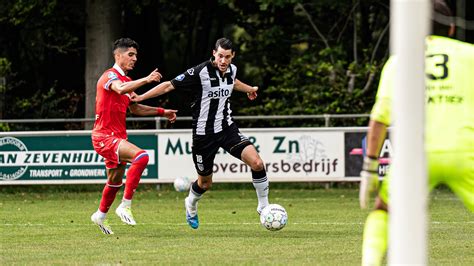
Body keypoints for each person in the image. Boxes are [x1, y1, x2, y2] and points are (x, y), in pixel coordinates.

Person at [359, 1, 474, 264]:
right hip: (466, 150)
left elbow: (379, 120)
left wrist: (369, 168)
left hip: (417, 154)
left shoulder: (400, 61)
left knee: (383, 211)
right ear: (453, 27)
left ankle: (370, 261)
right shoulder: (470, 54)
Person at [132, 38, 269, 229]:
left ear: (232, 57)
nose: (223, 60)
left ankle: (264, 207)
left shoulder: (232, 70)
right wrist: (141, 97)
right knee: (205, 183)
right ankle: (190, 203)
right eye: (220, 56)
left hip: (227, 128)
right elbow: (168, 85)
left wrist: (249, 89)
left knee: (257, 163)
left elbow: (233, 82)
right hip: (203, 136)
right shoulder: (200, 72)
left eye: (227, 57)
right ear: (214, 53)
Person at [90, 38, 177, 235]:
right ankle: (125, 205)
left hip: (117, 135)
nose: (135, 58)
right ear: (117, 55)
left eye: (136, 55)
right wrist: (147, 79)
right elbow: (119, 89)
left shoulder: (127, 81)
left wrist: (163, 112)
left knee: (114, 181)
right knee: (142, 156)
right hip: (104, 136)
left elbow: (136, 108)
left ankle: (100, 215)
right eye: (130, 54)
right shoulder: (109, 77)